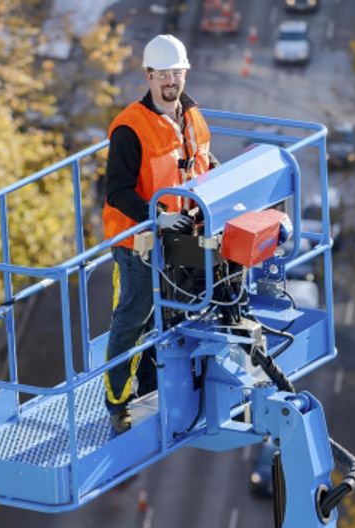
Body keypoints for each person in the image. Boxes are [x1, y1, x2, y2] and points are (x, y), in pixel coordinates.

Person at [102, 34, 218, 433]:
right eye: (162, 74)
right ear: (149, 76)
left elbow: (202, 160)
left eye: (176, 73)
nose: (171, 81)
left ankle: (152, 385)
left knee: (171, 318)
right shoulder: (130, 129)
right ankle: (117, 403)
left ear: (185, 73)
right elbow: (116, 191)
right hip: (139, 244)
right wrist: (155, 217)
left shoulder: (190, 114)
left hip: (180, 237)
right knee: (133, 321)